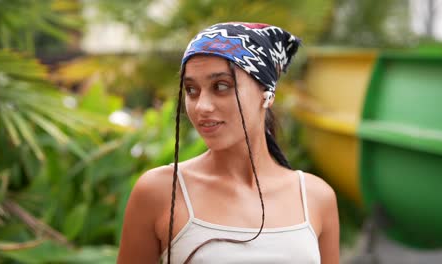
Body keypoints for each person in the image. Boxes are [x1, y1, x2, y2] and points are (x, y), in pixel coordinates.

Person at [118, 22, 339, 264]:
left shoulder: (316, 197)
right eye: (191, 90)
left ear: (267, 94)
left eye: (221, 86)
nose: (202, 106)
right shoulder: (159, 191)